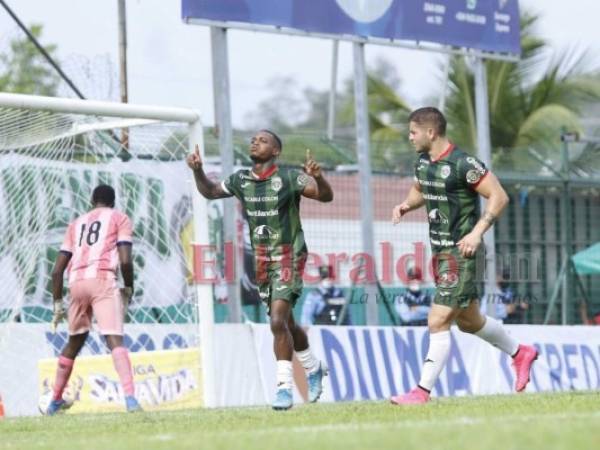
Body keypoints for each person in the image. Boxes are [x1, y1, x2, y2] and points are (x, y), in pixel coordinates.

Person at [390, 107, 538, 405]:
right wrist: (406, 205)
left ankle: (421, 392)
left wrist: (477, 232)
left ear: (431, 132)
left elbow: (499, 196)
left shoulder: (463, 164)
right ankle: (521, 352)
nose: (410, 137)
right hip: (440, 253)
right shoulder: (422, 161)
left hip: (463, 252)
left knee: (437, 318)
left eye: (413, 132)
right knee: (469, 321)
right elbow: (421, 189)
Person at [187, 130, 334, 410]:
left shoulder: (291, 178)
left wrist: (318, 177)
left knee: (277, 322)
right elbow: (210, 191)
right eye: (254, 139)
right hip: (263, 261)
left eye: (263, 140)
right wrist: (198, 170)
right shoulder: (241, 179)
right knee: (287, 323)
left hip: (290, 256)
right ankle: (313, 367)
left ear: (276, 151)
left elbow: (325, 196)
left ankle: (283, 389)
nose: (255, 142)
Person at [47, 185, 140, 414]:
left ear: (91, 200)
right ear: (113, 201)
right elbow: (126, 261)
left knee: (75, 341)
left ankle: (54, 401)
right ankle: (130, 400)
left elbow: (57, 271)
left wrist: (58, 304)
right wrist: (128, 286)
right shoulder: (120, 218)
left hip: (76, 283)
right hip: (102, 280)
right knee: (114, 339)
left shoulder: (75, 224)